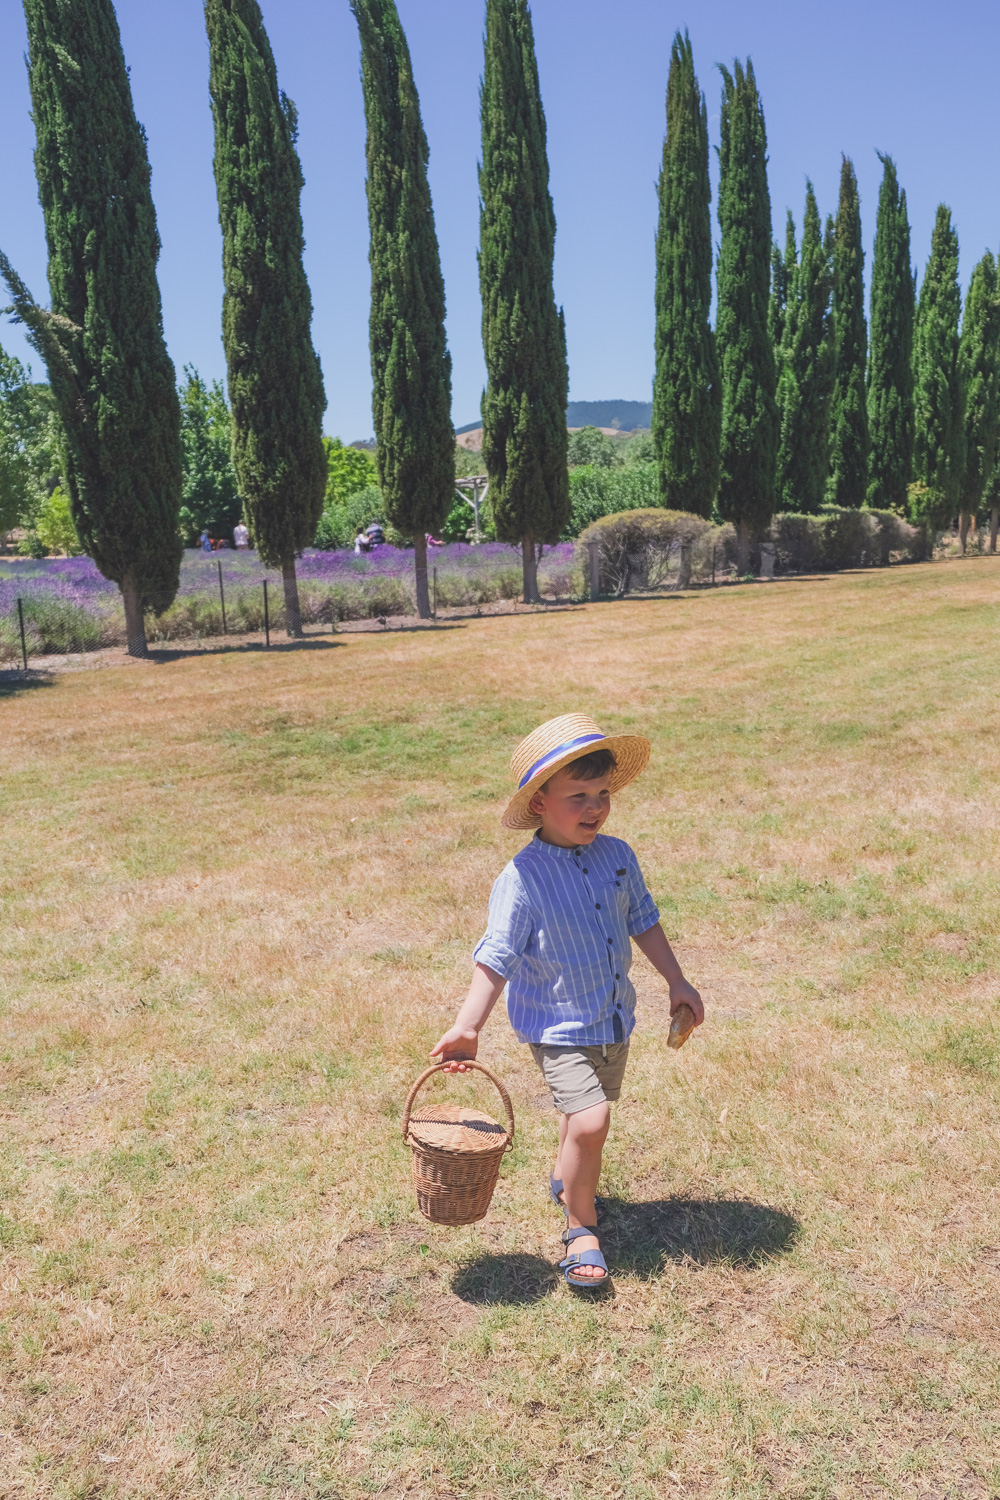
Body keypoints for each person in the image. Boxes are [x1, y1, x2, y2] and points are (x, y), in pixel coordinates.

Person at [431, 713, 703, 1290]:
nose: (594, 807)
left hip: (611, 1018)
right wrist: (467, 1025)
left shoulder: (618, 856)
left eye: (602, 794)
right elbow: (497, 955)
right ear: (538, 804)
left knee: (586, 1116)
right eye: (577, 795)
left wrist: (677, 982)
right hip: (556, 1025)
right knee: (590, 1118)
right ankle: (582, 1227)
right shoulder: (523, 879)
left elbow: (643, 921)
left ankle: (565, 1175)